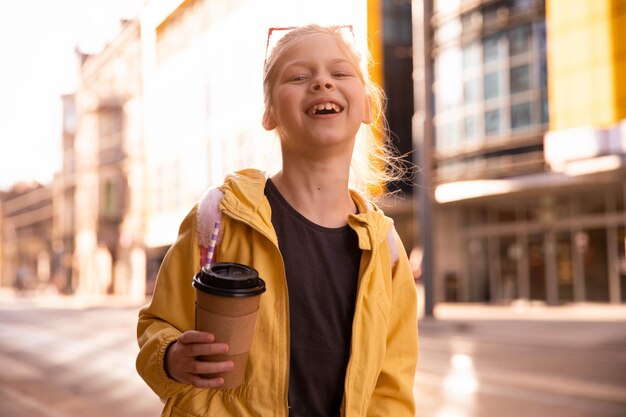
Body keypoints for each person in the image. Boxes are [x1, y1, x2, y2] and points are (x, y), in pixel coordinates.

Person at [136, 24, 418, 417]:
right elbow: (158, 322)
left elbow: (392, 389)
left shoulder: (384, 250)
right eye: (299, 77)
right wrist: (169, 355)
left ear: (368, 106)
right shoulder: (220, 217)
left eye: (339, 73)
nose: (322, 83)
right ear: (269, 113)